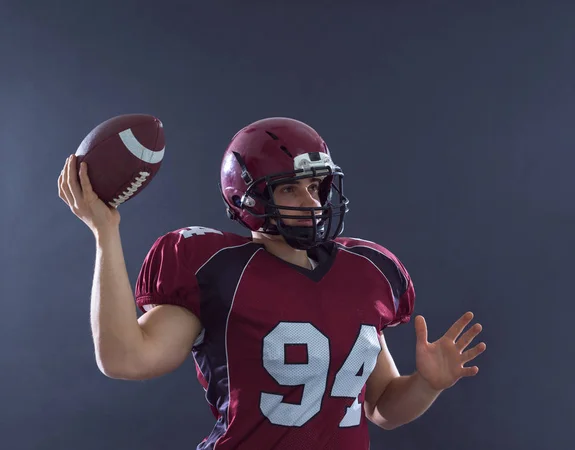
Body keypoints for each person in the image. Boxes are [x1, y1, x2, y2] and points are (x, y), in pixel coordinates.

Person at [58, 117, 486, 450]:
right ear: (248, 196)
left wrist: (427, 385)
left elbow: (382, 406)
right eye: (291, 190)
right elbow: (126, 360)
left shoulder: (365, 273)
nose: (312, 203)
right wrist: (105, 232)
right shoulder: (217, 268)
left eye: (316, 187)